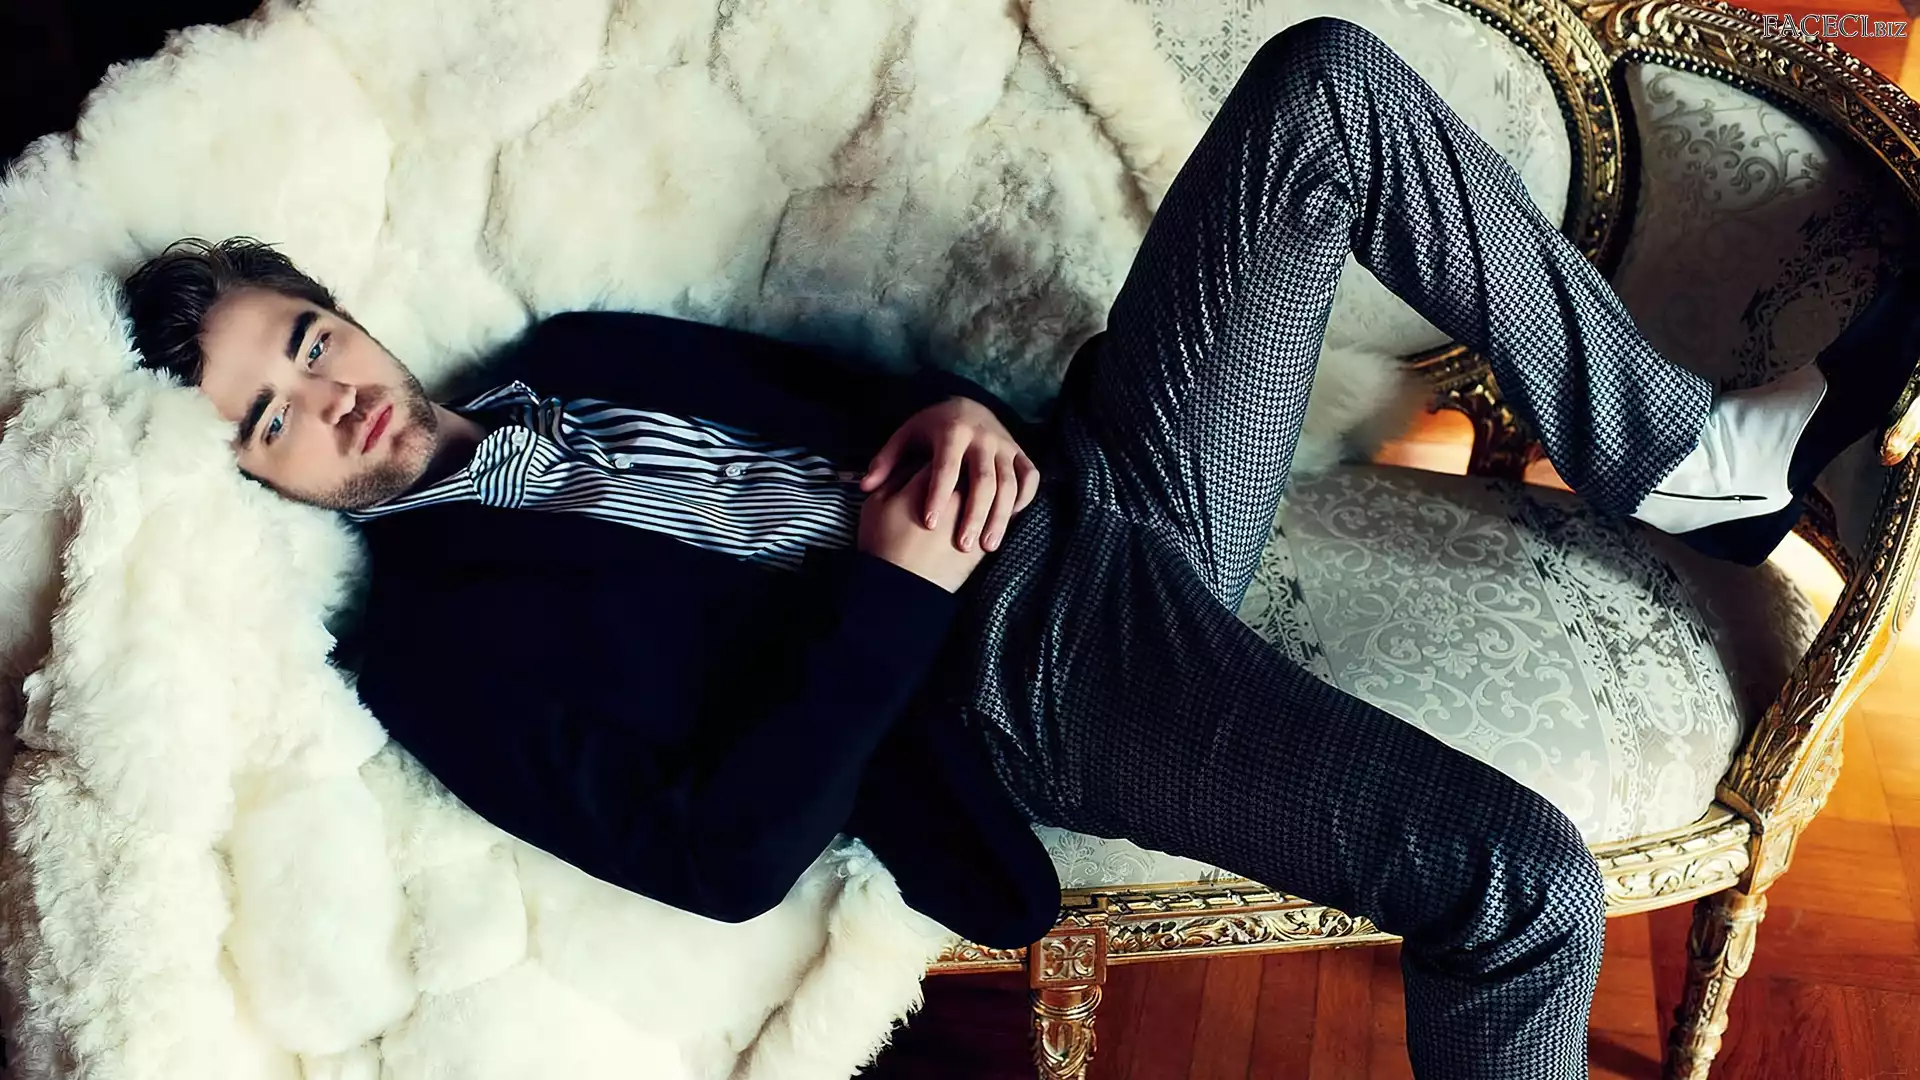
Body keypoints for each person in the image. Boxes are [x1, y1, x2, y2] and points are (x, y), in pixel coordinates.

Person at [119, 17, 1919, 1080]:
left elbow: (844, 391)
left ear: (349, 312)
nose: (323, 399)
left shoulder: (577, 351)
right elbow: (719, 855)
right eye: (266, 419)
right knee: (1521, 888)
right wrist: (892, 590)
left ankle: (1679, 460)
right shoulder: (430, 645)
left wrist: (956, 418)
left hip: (1090, 481)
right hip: (1016, 676)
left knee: (1328, 89)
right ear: (255, 482)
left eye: (306, 343)